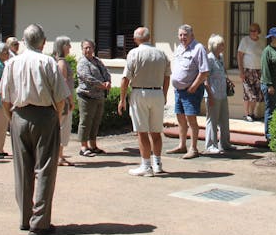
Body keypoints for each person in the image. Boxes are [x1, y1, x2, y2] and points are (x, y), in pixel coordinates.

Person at [0, 24, 70, 235]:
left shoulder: (12, 63)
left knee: (23, 170)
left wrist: (12, 119)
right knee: (45, 170)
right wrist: (56, 118)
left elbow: (4, 98)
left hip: (19, 115)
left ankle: (25, 217)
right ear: (44, 42)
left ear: (23, 41)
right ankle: (39, 222)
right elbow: (60, 97)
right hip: (44, 115)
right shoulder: (48, 62)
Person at [118, 27, 171, 176]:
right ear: (149, 37)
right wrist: (164, 94)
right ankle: (157, 163)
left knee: (142, 132)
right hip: (157, 93)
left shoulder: (134, 53)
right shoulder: (161, 54)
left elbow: (125, 78)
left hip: (140, 92)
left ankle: (146, 165)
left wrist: (122, 99)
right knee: (156, 131)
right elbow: (167, 77)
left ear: (136, 39)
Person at [168, 24, 209, 159]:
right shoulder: (179, 48)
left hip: (190, 91)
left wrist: (194, 86)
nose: (182, 37)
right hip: (179, 91)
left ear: (192, 35)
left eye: (185, 35)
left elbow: (204, 72)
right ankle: (182, 145)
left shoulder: (198, 48)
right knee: (180, 118)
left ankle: (194, 148)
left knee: (191, 120)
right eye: (180, 35)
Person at [77, 39, 111, 157]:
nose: (88, 50)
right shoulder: (82, 62)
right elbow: (87, 77)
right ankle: (83, 147)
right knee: (85, 121)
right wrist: (102, 85)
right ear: (82, 50)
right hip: (86, 96)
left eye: (89, 47)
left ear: (93, 48)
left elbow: (106, 73)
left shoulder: (97, 61)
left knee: (95, 122)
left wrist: (107, 81)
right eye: (85, 48)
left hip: (99, 96)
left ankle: (93, 145)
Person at [204, 34, 234, 154]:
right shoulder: (209, 59)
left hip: (222, 93)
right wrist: (210, 95)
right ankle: (211, 145)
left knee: (224, 119)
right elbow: (205, 78)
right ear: (215, 46)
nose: (223, 46)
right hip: (213, 93)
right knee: (212, 120)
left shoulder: (220, 57)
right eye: (221, 44)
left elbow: (222, 72)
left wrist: (227, 80)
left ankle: (225, 143)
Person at [52, 36, 76, 166]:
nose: (70, 47)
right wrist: (71, 101)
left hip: (63, 99)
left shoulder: (59, 61)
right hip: (64, 100)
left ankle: (60, 155)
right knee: (63, 127)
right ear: (62, 46)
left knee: (62, 127)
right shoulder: (61, 63)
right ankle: (59, 157)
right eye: (68, 45)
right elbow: (64, 84)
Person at [237, 22, 263, 122]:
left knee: (256, 94)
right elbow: (239, 56)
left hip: (258, 71)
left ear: (258, 32)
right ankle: (246, 114)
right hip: (247, 70)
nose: (252, 32)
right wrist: (241, 71)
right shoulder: (245, 41)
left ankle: (252, 114)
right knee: (248, 93)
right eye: (250, 31)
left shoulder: (261, 42)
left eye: (254, 30)